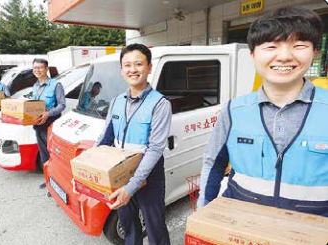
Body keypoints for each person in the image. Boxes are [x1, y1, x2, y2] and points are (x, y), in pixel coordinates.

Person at [198, 6, 328, 217]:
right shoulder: (234, 110)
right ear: (252, 54)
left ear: (315, 52)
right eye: (271, 46)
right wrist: (202, 217)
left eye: (299, 45)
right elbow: (213, 164)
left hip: (312, 234)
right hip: (242, 229)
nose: (284, 56)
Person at [97, 43, 172, 244]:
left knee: (155, 226)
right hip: (120, 172)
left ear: (149, 67)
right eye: (127, 65)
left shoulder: (160, 103)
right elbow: (105, 138)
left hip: (150, 174)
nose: (133, 69)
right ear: (121, 70)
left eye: (138, 64)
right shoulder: (116, 102)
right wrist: (90, 169)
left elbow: (155, 149)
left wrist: (131, 187)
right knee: (129, 225)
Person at [32, 58, 66, 175]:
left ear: (46, 69)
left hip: (51, 123)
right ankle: (48, 177)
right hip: (38, 124)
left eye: (40, 67)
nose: (37, 70)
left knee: (54, 152)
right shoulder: (35, 86)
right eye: (35, 68)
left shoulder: (56, 84)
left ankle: (57, 179)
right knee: (43, 153)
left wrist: (48, 113)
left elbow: (62, 105)